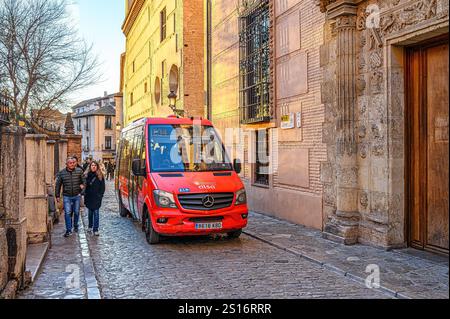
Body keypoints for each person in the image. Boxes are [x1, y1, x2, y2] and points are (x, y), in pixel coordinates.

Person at [55, 157, 86, 237]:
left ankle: (75, 225)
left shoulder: (79, 171)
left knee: (76, 212)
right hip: (67, 196)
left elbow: (84, 182)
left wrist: (81, 192)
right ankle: (68, 230)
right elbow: (58, 185)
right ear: (67, 164)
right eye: (70, 163)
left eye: (73, 163)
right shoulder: (62, 173)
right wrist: (57, 195)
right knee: (67, 213)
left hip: (77, 195)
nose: (72, 164)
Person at [84, 161, 106, 236]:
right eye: (92, 165)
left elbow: (103, 187)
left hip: (97, 197)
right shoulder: (86, 175)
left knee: (96, 213)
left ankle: (95, 229)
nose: (93, 167)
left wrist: (100, 195)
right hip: (89, 197)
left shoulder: (100, 176)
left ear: (97, 167)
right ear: (90, 167)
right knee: (90, 213)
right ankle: (90, 226)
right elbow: (84, 186)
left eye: (95, 165)